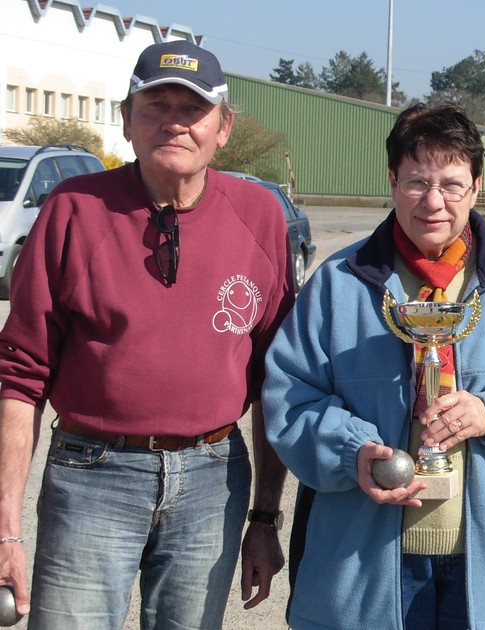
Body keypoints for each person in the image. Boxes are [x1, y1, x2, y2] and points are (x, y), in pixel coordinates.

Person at [262, 102, 485, 629]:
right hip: (367, 566)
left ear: (477, 184)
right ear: (392, 179)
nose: (434, 202)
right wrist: (353, 451)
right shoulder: (337, 284)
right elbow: (289, 398)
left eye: (452, 184)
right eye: (417, 182)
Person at [0, 40, 293, 628]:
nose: (174, 123)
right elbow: (20, 372)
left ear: (223, 127)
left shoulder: (260, 216)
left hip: (212, 479)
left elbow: (275, 380)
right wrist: (6, 528)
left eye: (193, 110)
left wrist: (264, 518)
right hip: (92, 475)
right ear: (128, 121)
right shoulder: (73, 210)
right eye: (155, 106)